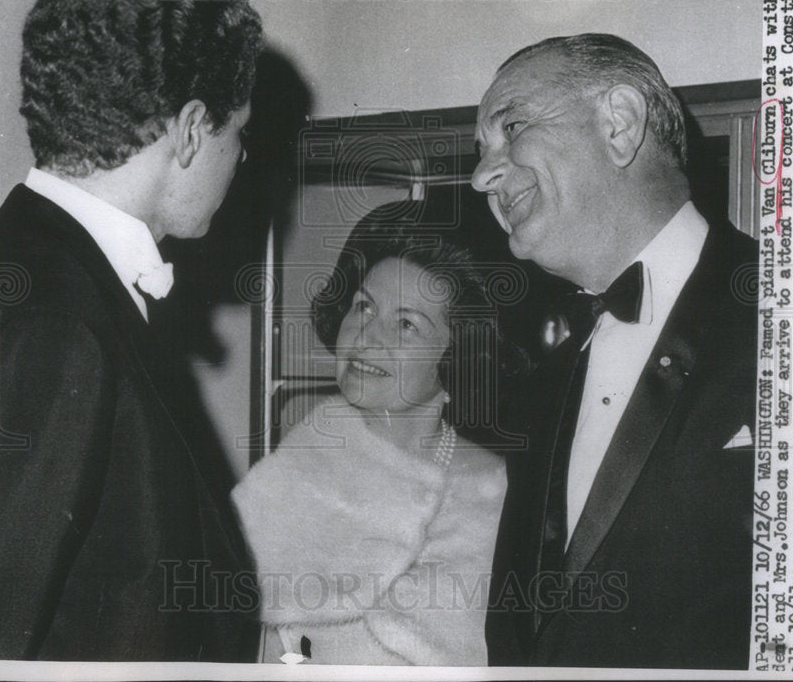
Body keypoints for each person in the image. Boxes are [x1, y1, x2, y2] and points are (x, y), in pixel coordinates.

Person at [0, 0, 263, 661]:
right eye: (241, 133)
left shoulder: (18, 263)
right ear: (194, 129)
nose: (242, 158)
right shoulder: (58, 324)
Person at [471, 34, 757, 669]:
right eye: (480, 152)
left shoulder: (792, 318)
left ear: (620, 125)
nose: (480, 175)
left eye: (511, 126)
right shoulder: (543, 382)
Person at [231, 202, 509, 665]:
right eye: (363, 306)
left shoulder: (497, 494)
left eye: (405, 324)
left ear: (457, 352)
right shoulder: (300, 462)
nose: (367, 337)